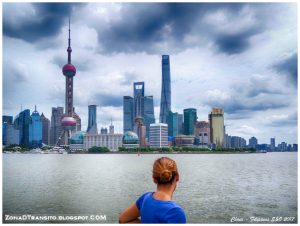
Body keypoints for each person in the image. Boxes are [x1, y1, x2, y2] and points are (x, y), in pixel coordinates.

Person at [119, 157, 186, 223]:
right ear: (177, 177)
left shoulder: (145, 198)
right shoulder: (175, 213)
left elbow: (122, 220)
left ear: (154, 179)